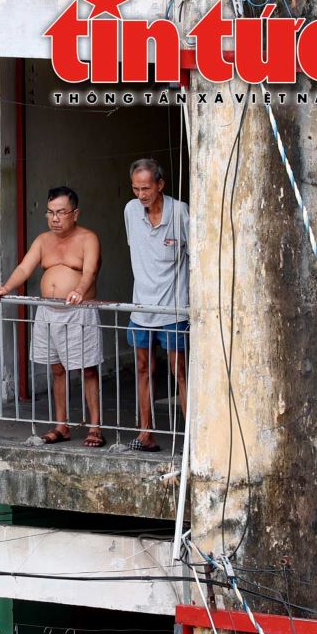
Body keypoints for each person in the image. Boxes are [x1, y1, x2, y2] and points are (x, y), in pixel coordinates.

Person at [0, 186, 104, 447]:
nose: (55, 218)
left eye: (61, 212)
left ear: (75, 213)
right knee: (57, 368)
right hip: (48, 312)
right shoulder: (43, 240)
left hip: (78, 311)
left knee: (87, 369)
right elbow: (24, 268)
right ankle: (62, 425)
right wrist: (6, 287)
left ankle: (95, 427)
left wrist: (79, 290)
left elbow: (89, 273)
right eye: (50, 212)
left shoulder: (88, 238)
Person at [122, 158, 189, 452]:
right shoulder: (130, 210)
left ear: (160, 184)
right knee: (142, 368)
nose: (141, 195)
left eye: (146, 188)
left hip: (174, 309)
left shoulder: (180, 212)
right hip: (141, 310)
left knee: (180, 371)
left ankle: (193, 440)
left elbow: (195, 255)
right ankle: (145, 432)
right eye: (136, 189)